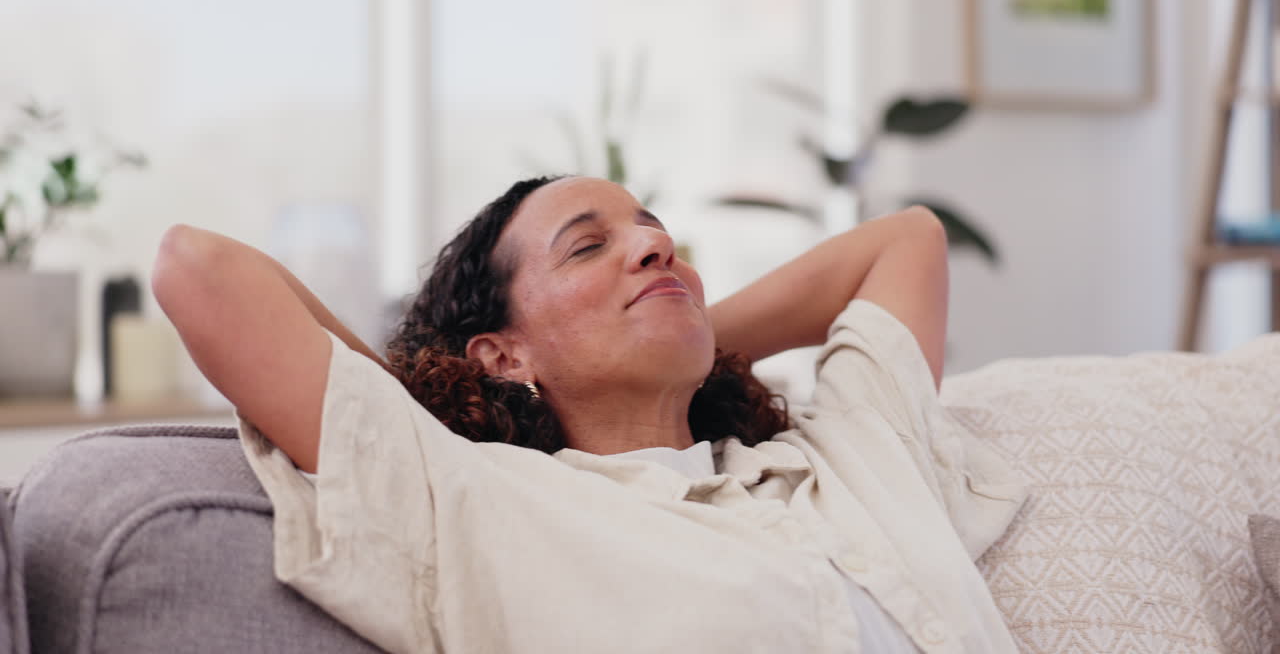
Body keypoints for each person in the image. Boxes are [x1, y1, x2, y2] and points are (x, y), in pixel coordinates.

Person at [152, 175, 1028, 653]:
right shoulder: (471, 500)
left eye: (657, 238)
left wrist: (683, 323)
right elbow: (199, 268)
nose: (656, 246)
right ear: (502, 354)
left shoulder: (849, 456)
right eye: (588, 246)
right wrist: (424, 399)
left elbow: (907, 239)